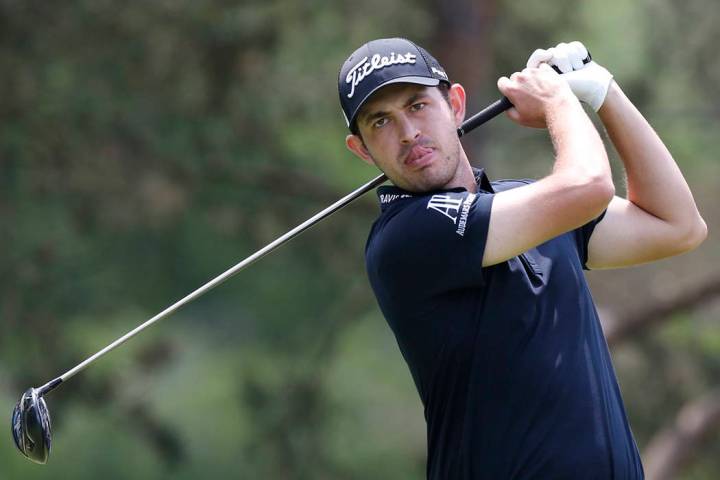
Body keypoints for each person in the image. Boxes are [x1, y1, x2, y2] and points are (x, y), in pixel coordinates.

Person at [337, 38, 707, 479]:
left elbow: (677, 225)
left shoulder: (527, 206)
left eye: (417, 105)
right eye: (381, 122)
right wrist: (558, 102)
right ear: (361, 149)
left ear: (456, 105)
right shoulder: (405, 236)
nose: (408, 132)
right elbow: (589, 185)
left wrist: (605, 94)